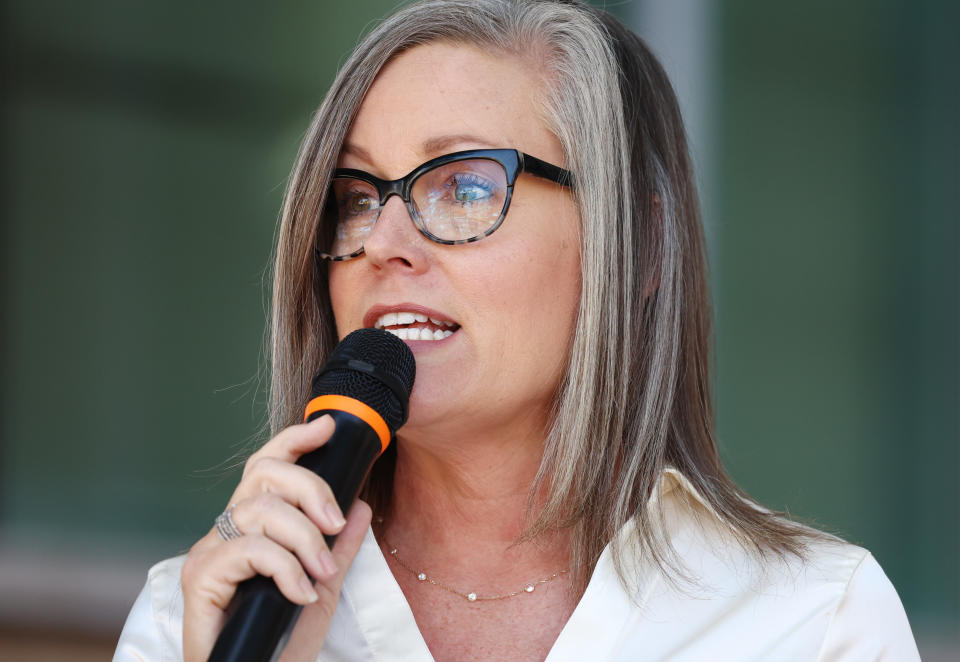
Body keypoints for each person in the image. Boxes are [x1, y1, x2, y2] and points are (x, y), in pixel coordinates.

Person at [115, 1, 920, 660]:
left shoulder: (812, 622)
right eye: (358, 198)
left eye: (463, 186)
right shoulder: (199, 614)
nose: (384, 244)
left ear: (631, 248)